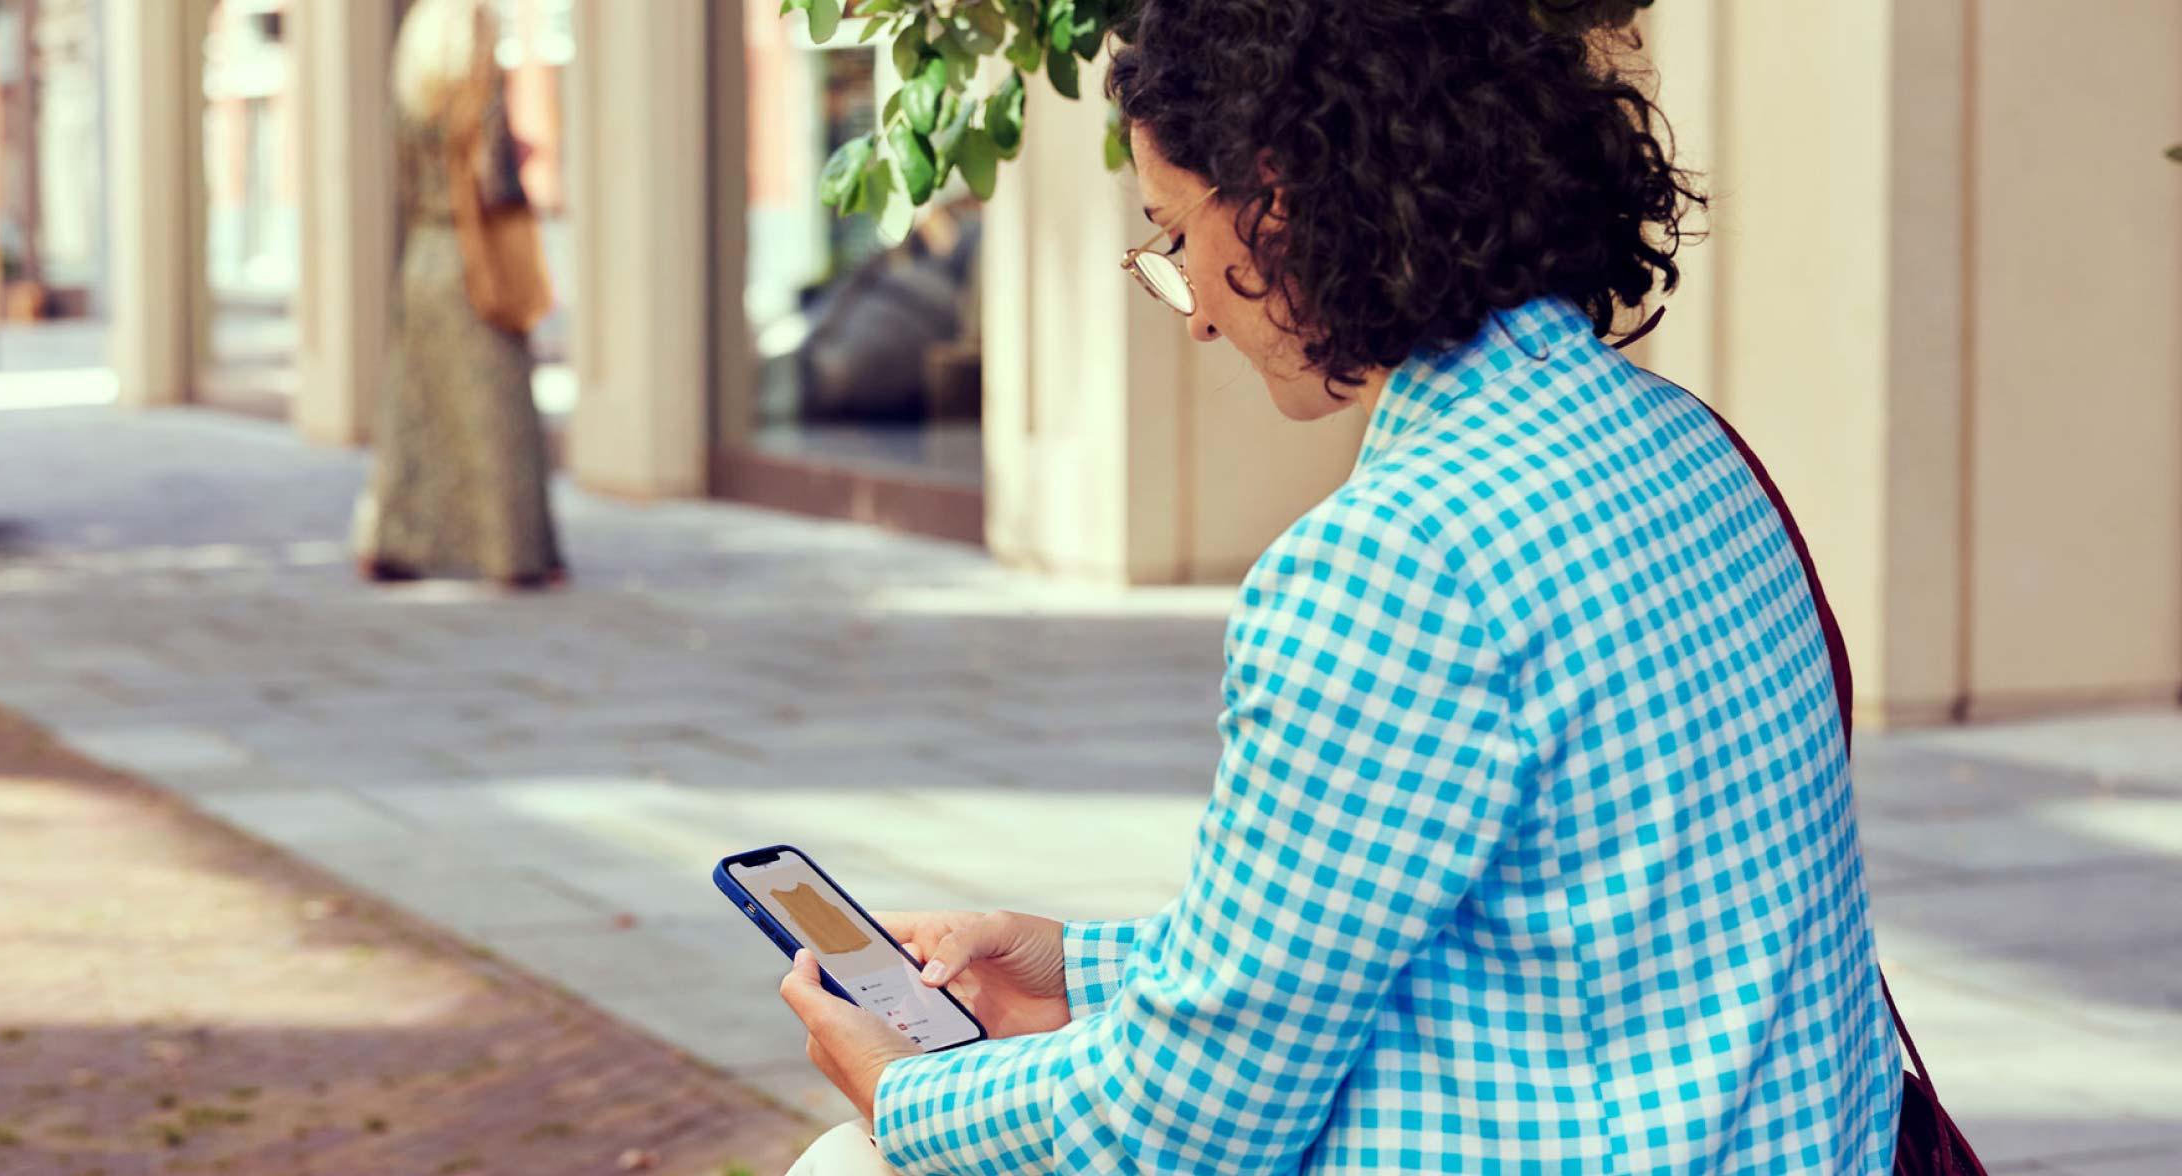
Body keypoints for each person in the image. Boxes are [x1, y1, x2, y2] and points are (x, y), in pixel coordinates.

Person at [775, 1, 1905, 1171]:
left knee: (850, 1166)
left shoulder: (1394, 561)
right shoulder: (1684, 444)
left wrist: (905, 1092)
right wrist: (1077, 967)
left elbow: (1184, 1128)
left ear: (1273, 202)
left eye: (1172, 237)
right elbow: (1411, 930)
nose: (1197, 314)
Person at [353, 0, 563, 589]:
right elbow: (497, 182)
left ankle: (395, 540)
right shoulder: (478, 91)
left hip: (422, 257)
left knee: (414, 404)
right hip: (475, 261)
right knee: (495, 408)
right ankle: (512, 553)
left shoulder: (409, 97)